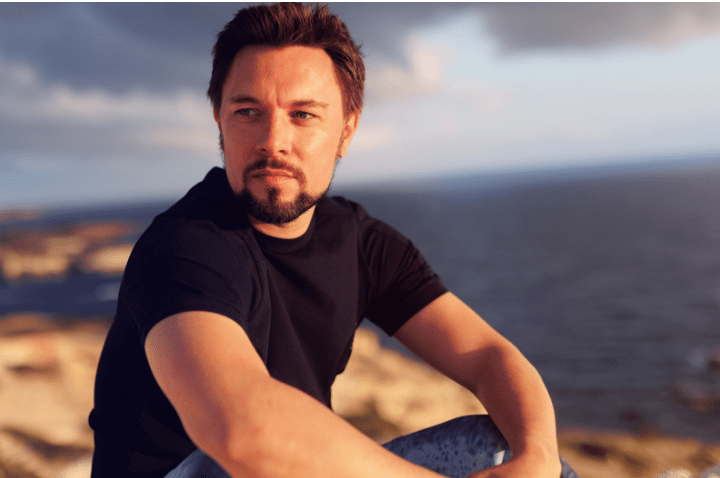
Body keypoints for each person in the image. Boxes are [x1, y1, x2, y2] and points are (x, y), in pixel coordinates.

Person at [89, 4, 580, 478]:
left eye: (302, 114)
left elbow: (488, 356)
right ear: (219, 118)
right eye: (248, 111)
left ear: (346, 130)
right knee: (227, 461)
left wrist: (540, 457)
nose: (273, 141)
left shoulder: (362, 245)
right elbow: (241, 431)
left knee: (505, 448)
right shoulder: (183, 248)